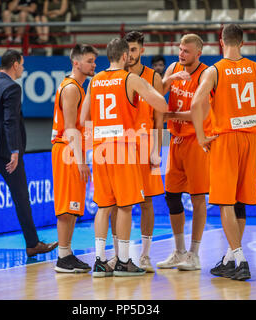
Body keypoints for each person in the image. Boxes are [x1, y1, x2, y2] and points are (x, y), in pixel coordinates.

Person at [186, 24, 256, 280]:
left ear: (221, 42)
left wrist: (200, 136)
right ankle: (230, 259)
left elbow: (196, 102)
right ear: (242, 43)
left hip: (226, 139)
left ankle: (240, 258)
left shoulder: (214, 70)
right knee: (240, 201)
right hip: (252, 139)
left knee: (224, 201)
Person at [78, 38, 168, 277]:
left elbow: (83, 117)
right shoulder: (131, 78)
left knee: (104, 207)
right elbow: (161, 104)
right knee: (126, 206)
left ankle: (99, 260)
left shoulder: (94, 81)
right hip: (123, 147)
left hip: (100, 148)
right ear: (125, 57)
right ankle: (124, 262)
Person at [0, 49, 58, 260]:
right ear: (15, 64)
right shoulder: (12, 87)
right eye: (22, 64)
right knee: (21, 198)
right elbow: (10, 121)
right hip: (4, 152)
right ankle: (33, 244)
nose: (23, 68)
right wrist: (14, 151)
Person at [107, 31, 164, 273]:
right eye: (127, 49)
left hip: (145, 145)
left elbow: (159, 121)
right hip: (120, 147)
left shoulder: (153, 77)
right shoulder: (115, 77)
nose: (129, 54)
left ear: (142, 50)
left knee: (147, 202)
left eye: (133, 49)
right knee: (116, 203)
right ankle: (119, 254)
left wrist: (156, 149)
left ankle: (146, 255)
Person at [157, 34, 212, 272]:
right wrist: (169, 78)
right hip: (176, 141)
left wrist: (168, 116)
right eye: (180, 49)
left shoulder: (206, 74)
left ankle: (194, 253)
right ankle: (179, 251)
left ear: (198, 53)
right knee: (171, 196)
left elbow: (199, 114)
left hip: (196, 141)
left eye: (186, 51)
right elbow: (156, 93)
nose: (181, 54)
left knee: (198, 198)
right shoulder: (173, 67)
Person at [51, 44, 98, 273]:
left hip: (73, 149)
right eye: (90, 61)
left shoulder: (79, 87)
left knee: (73, 205)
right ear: (76, 63)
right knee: (66, 206)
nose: (94, 65)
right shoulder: (71, 88)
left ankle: (67, 253)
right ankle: (62, 256)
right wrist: (80, 160)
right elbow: (70, 128)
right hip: (67, 148)